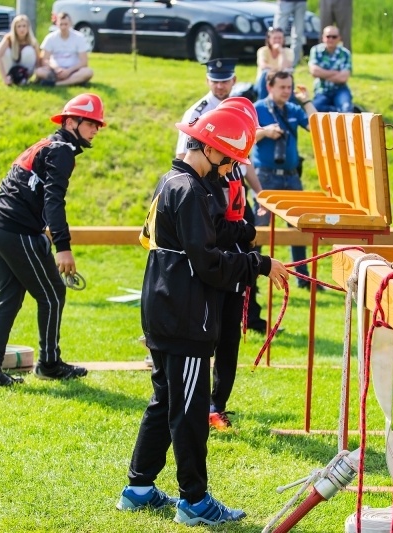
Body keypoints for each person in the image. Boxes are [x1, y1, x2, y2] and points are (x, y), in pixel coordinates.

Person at [118, 103, 289, 525]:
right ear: (212, 150)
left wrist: (241, 232)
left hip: (162, 309)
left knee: (164, 400)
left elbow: (205, 230)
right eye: (230, 159)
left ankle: (138, 488)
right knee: (190, 411)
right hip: (186, 316)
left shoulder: (172, 180)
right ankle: (194, 501)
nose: (231, 168)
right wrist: (260, 265)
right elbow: (208, 262)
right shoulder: (192, 190)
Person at [0, 93, 105, 387]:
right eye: (92, 123)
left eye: (99, 125)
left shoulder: (50, 145)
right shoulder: (60, 150)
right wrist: (63, 247)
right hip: (14, 230)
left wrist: (3, 244)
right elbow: (53, 202)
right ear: (72, 121)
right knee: (52, 295)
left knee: (8, 298)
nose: (97, 129)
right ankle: (49, 365)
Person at [176, 60, 265, 431]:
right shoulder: (201, 176)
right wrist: (244, 234)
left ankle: (217, 404)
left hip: (234, 262)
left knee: (229, 337)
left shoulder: (232, 162)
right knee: (205, 337)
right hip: (214, 265)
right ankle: (196, 404)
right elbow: (212, 230)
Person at [253, 70, 318, 288]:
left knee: (298, 227)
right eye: (282, 87)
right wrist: (264, 132)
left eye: (289, 87)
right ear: (269, 87)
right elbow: (244, 136)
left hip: (291, 177)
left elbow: (317, 127)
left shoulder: (293, 108)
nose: (286, 91)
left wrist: (306, 101)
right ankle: (252, 277)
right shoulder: (258, 108)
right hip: (265, 177)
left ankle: (303, 277)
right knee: (260, 228)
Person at [34, 12, 93, 87]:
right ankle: (74, 81)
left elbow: (84, 62)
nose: (63, 27)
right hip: (55, 70)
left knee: (88, 72)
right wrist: (56, 69)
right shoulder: (50, 38)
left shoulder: (79, 37)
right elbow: (45, 59)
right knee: (39, 71)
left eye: (66, 24)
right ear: (57, 24)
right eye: (61, 24)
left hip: (73, 70)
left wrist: (68, 71)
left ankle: (58, 84)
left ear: (70, 24)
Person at [308, 25, 353, 113]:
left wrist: (323, 74)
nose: (331, 39)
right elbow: (314, 71)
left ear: (339, 38)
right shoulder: (316, 50)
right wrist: (336, 73)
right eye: (328, 36)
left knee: (346, 108)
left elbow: (343, 78)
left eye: (334, 37)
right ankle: (337, 114)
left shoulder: (345, 53)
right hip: (322, 89)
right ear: (323, 37)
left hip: (340, 89)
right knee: (315, 108)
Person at [0, 14, 40, 86]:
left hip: (26, 69)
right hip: (10, 66)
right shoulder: (8, 39)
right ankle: (9, 77)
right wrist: (4, 78)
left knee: (28, 51)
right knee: (6, 52)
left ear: (28, 28)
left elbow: (38, 60)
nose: (22, 29)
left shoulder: (33, 42)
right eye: (19, 26)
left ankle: (23, 77)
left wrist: (38, 76)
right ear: (15, 28)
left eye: (24, 26)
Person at [255, 27, 294, 100]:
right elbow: (263, 65)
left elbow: (284, 68)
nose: (277, 41)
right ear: (269, 39)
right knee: (265, 73)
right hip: (264, 81)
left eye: (280, 38)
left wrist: (281, 52)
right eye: (275, 38)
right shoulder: (263, 50)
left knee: (288, 75)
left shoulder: (288, 52)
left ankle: (290, 105)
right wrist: (277, 70)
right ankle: (262, 102)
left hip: (281, 81)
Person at [273, 0, 306, 64]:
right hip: (284, 2)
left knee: (298, 35)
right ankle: (275, 61)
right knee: (277, 34)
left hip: (301, 2)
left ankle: (292, 64)